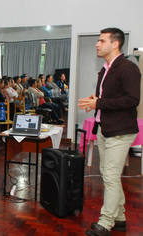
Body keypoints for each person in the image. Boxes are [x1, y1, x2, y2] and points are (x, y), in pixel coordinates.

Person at [78, 28, 141, 236]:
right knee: (108, 175)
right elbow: (107, 98)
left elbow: (132, 100)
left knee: (111, 177)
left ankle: (106, 223)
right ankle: (120, 217)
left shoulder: (128, 68)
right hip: (105, 128)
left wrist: (100, 102)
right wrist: (94, 102)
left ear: (115, 44)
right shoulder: (105, 69)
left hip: (120, 130)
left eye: (101, 40)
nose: (97, 44)